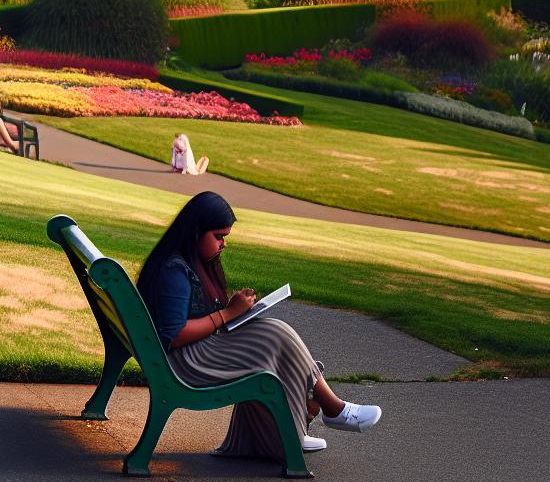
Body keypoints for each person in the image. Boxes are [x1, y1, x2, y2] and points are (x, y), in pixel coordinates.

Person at [138, 192, 381, 457]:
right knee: (275, 336)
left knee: (273, 335)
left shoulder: (184, 262)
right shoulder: (174, 269)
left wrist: (233, 311)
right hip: (184, 362)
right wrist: (228, 314)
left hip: (190, 353)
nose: (223, 244)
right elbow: (174, 334)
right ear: (196, 232)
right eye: (218, 236)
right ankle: (332, 409)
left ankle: (293, 429)